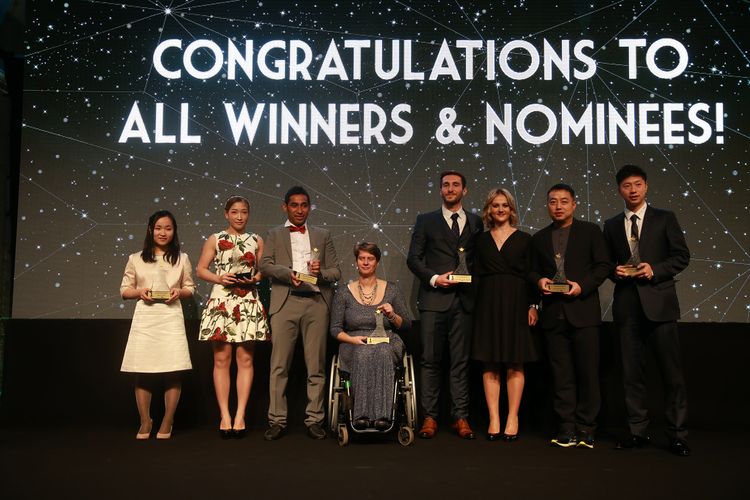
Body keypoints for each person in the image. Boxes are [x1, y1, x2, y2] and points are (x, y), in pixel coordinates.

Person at [603, 165, 691, 457]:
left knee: (671, 374)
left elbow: (681, 256)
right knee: (631, 374)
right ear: (619, 190)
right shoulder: (612, 224)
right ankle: (637, 431)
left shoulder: (665, 218)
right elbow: (606, 264)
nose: (633, 190)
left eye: (637, 184)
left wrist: (656, 270)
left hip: (661, 306)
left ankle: (677, 435)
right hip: (627, 308)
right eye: (627, 185)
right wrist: (614, 272)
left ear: (646, 187)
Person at [529, 184, 610, 449]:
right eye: (553, 202)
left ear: (574, 204)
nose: (559, 206)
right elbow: (530, 272)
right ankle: (566, 428)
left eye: (564, 201)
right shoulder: (539, 238)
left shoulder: (590, 231)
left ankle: (586, 428)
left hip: (583, 313)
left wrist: (582, 286)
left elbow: (603, 266)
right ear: (547, 205)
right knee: (561, 375)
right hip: (553, 316)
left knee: (588, 374)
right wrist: (539, 281)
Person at [407, 170, 483, 440]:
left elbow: (478, 261)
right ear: (440, 190)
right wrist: (435, 278)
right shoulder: (425, 220)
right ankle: (429, 417)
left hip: (464, 302)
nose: (450, 189)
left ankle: (460, 417)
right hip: (433, 300)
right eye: (446, 185)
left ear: (465, 190)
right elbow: (413, 260)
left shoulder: (476, 222)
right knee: (430, 361)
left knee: (460, 363)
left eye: (455, 185)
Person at [261, 186, 341, 440]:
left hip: (316, 303)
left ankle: (314, 419)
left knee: (315, 366)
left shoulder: (322, 234)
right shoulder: (274, 233)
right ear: (285, 207)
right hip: (285, 302)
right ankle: (277, 420)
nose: (299, 210)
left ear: (309, 207)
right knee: (279, 366)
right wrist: (288, 274)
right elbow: (264, 264)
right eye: (294, 205)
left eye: (304, 205)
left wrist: (319, 274)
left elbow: (336, 272)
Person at [197, 196, 269, 439]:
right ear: (226, 214)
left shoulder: (256, 240)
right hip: (222, 301)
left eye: (244, 212)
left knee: (246, 359)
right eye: (235, 212)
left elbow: (263, 271)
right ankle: (224, 415)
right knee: (221, 359)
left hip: (248, 299)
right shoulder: (215, 239)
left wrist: (255, 279)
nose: (240, 216)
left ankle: (240, 415)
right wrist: (220, 278)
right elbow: (201, 269)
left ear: (248, 215)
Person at [120, 210, 195, 440]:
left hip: (171, 317)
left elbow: (191, 288)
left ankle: (167, 419)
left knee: (173, 370)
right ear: (151, 229)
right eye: (159, 228)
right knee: (142, 371)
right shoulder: (136, 258)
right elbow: (124, 290)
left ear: (174, 231)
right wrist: (139, 292)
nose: (163, 232)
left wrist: (179, 292)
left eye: (168, 228)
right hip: (146, 317)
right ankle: (145, 420)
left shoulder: (182, 258)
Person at [472, 188, 539, 441]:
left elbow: (532, 274)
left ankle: (512, 416)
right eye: (495, 205)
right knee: (490, 362)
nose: (500, 210)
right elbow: (475, 275)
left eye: (505, 206)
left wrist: (534, 305)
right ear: (489, 210)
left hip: (517, 301)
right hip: (487, 303)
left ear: (512, 210)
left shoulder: (525, 239)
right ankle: (494, 418)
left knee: (514, 361)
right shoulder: (480, 240)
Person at [330, 242, 412, 430]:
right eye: (362, 258)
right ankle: (361, 415)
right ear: (356, 262)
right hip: (354, 342)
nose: (366, 262)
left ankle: (383, 416)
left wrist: (392, 314)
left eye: (370, 259)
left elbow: (406, 325)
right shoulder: (344, 292)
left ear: (376, 262)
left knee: (383, 351)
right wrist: (352, 340)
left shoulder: (392, 289)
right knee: (362, 352)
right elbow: (335, 328)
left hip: (387, 340)